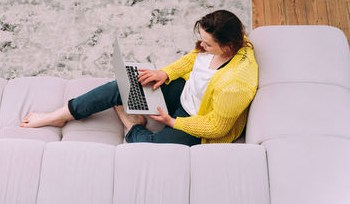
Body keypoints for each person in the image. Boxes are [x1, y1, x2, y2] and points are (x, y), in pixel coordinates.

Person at [20, 10, 258, 146]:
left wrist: (172, 122)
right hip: (187, 93)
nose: (200, 46)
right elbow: (192, 60)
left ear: (227, 47)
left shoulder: (234, 85)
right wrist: (165, 73)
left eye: (207, 44)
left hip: (199, 122)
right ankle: (58, 116)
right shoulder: (231, 40)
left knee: (153, 148)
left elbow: (217, 126)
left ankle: (133, 125)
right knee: (123, 85)